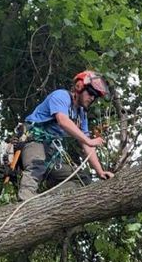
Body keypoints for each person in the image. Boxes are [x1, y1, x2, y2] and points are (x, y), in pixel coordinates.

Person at [18, 69, 114, 201]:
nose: (92, 98)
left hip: (51, 154)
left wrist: (100, 172)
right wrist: (89, 140)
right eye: (91, 93)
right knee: (37, 165)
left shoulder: (81, 115)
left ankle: (43, 202)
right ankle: (25, 199)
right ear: (79, 87)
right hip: (33, 142)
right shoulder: (61, 96)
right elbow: (63, 120)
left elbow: (87, 145)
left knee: (82, 179)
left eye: (95, 96)